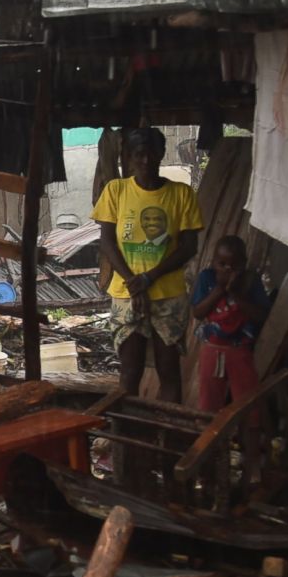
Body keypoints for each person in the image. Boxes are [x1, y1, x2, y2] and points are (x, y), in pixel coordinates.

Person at [92, 128, 203, 402]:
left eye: (151, 153)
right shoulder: (116, 191)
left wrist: (149, 278)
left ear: (162, 154)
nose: (145, 160)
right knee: (129, 373)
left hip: (168, 295)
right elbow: (107, 242)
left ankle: (166, 439)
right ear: (128, 158)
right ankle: (127, 441)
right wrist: (134, 282)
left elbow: (190, 246)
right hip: (126, 294)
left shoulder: (181, 194)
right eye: (138, 154)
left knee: (169, 372)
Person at [190, 235, 271, 413]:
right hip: (212, 348)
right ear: (213, 262)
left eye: (234, 266)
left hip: (240, 350)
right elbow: (198, 312)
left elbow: (261, 315)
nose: (228, 270)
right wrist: (220, 289)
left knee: (248, 405)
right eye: (222, 264)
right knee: (208, 405)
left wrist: (235, 293)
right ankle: (210, 439)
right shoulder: (207, 277)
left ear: (243, 264)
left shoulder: (250, 280)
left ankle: (247, 437)